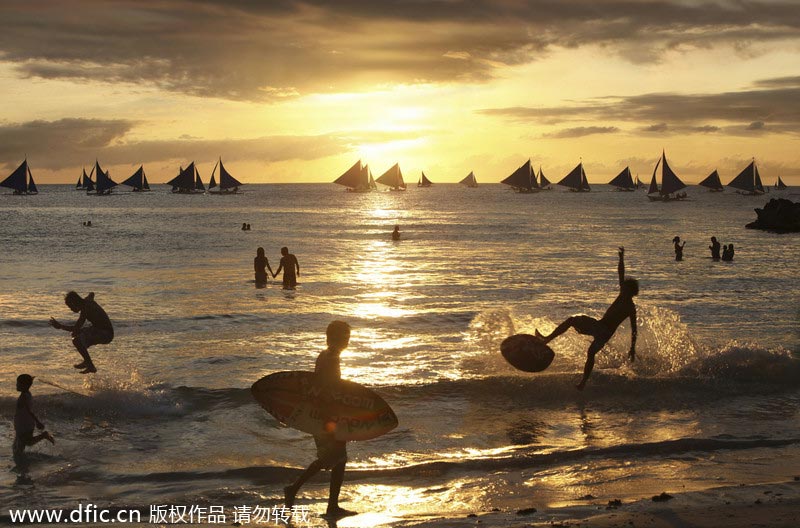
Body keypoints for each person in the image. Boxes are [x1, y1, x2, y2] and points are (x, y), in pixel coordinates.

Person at [536, 247, 638, 390]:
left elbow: (634, 329)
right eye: (623, 287)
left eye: (625, 288)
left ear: (631, 291)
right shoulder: (623, 296)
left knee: (573, 323)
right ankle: (583, 383)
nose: (622, 288)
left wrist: (632, 348)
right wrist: (621, 259)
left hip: (603, 330)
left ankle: (547, 340)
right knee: (589, 351)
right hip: (603, 331)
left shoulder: (630, 307)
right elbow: (621, 274)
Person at [284, 321, 356, 519]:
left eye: (348, 337)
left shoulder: (326, 355)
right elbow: (329, 391)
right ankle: (295, 490)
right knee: (334, 459)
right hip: (326, 417)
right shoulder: (331, 358)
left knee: (336, 460)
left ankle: (329, 505)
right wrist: (333, 419)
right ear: (334, 338)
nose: (347, 341)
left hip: (322, 415)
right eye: (344, 337)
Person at [49, 291, 114, 374]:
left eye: (70, 307)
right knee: (78, 335)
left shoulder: (85, 309)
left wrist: (60, 326)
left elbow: (75, 328)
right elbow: (92, 294)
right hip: (102, 331)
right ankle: (87, 362)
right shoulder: (87, 301)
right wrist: (90, 296)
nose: (71, 310)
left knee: (76, 338)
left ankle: (90, 365)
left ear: (74, 303)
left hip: (105, 334)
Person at [13, 374, 55, 463]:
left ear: (24, 385)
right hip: (22, 422)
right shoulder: (27, 394)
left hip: (25, 423)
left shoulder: (24, 396)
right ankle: (20, 463)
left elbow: (29, 411)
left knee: (26, 443)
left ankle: (44, 435)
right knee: (19, 444)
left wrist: (37, 422)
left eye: (18, 384)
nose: (16, 385)